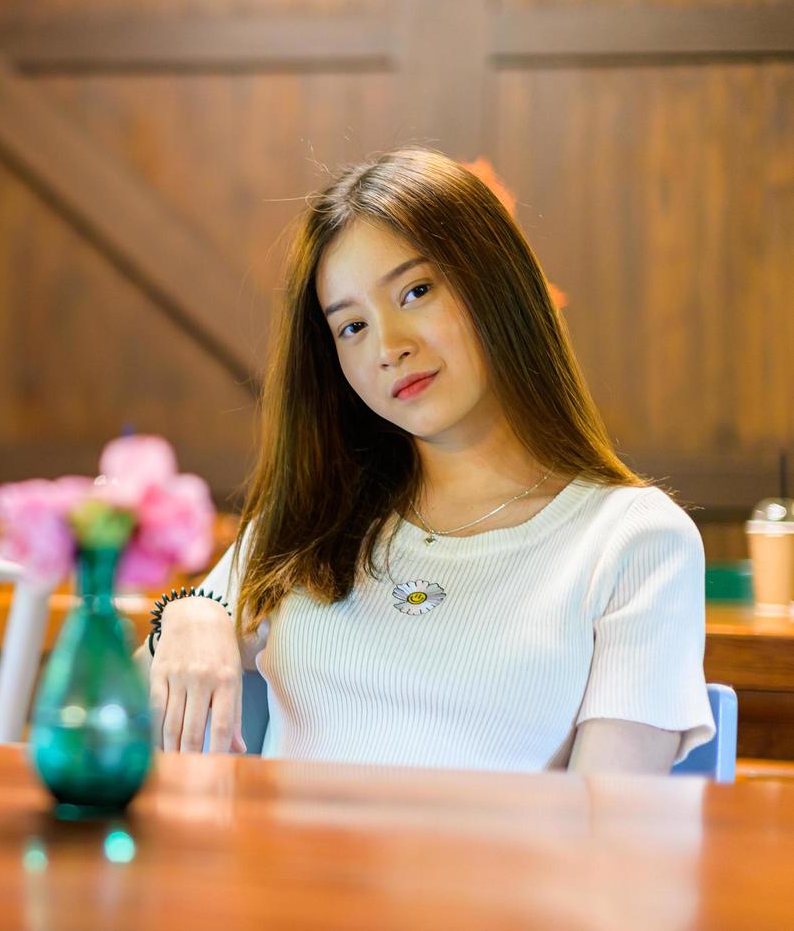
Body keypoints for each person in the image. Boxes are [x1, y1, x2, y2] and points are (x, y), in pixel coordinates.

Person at [138, 147, 714, 774]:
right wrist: (190, 614)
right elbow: (140, 706)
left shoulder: (634, 541)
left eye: (415, 291)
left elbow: (612, 832)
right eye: (352, 327)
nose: (390, 346)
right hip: (278, 869)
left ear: (498, 284)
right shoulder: (311, 519)